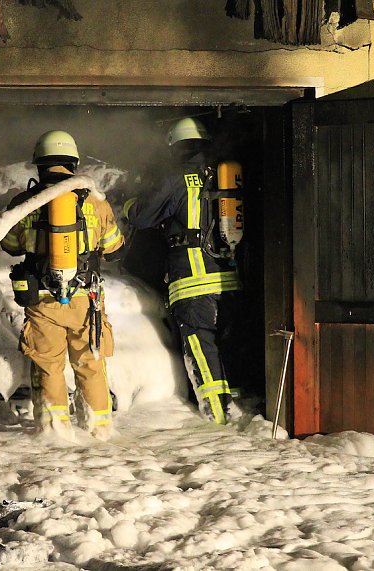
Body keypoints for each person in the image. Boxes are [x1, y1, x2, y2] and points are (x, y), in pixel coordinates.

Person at [0, 130, 125, 441]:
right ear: (73, 162)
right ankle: (100, 430)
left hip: (42, 298)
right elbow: (114, 248)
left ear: (39, 164)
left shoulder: (24, 202)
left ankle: (55, 432)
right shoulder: (95, 201)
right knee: (90, 362)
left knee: (49, 366)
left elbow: (9, 245)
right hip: (86, 298)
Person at [123, 117, 243, 425]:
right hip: (228, 276)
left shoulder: (177, 175)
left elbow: (141, 215)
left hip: (192, 280)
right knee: (227, 345)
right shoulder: (223, 174)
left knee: (201, 345)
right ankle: (242, 411)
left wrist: (128, 202)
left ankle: (217, 418)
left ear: (175, 147)